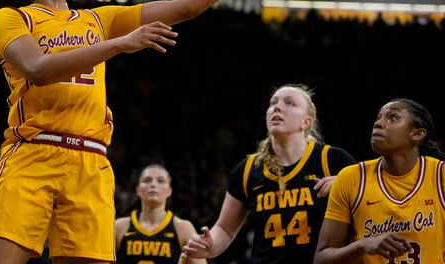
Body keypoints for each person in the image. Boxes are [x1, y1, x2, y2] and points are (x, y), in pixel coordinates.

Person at [0, 0, 285, 264]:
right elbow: (38, 69)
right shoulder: (13, 17)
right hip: (33, 152)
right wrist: (119, 44)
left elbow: (185, 7)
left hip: (91, 160)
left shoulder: (98, 19)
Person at [182, 84, 356, 264]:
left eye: (289, 103)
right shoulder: (248, 169)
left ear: (306, 122)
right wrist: (210, 245)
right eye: (273, 103)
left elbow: (372, 202)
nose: (277, 107)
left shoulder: (331, 159)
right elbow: (225, 229)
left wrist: (349, 187)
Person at [313, 98, 445, 264]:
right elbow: (321, 259)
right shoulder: (350, 178)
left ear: (417, 134)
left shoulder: (440, 175)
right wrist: (362, 245)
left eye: (392, 117)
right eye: (378, 118)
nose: (378, 123)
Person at [115, 164, 206, 264]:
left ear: (169, 191)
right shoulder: (119, 227)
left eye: (160, 181)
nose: (153, 184)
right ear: (138, 190)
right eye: (147, 180)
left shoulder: (184, 228)